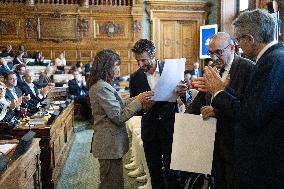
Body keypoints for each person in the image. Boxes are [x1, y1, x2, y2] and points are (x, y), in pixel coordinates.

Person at [193, 9, 284, 188]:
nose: (239, 45)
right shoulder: (273, 57)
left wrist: (219, 93)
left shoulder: (271, 61)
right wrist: (225, 89)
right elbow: (253, 102)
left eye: (238, 40)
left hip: (263, 160)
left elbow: (251, 115)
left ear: (250, 39)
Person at [188, 32, 255, 189]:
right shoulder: (212, 69)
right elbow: (201, 100)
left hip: (235, 145)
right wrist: (184, 119)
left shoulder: (248, 68)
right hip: (212, 142)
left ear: (232, 48)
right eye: (211, 53)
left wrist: (218, 112)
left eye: (218, 52)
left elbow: (248, 108)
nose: (214, 57)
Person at [88, 49, 154, 189]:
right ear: (107, 66)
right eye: (116, 65)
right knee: (112, 184)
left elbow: (119, 104)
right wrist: (139, 101)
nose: (118, 68)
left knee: (112, 182)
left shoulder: (102, 84)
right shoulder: (101, 87)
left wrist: (138, 98)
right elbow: (119, 117)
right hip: (108, 144)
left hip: (109, 144)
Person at [129, 39, 189, 189]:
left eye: (144, 60)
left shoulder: (171, 69)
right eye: (138, 61)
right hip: (150, 130)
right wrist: (144, 107)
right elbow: (135, 107)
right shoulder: (135, 78)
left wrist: (184, 93)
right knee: (155, 174)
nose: (140, 64)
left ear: (153, 55)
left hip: (171, 128)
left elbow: (185, 99)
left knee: (174, 173)